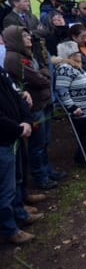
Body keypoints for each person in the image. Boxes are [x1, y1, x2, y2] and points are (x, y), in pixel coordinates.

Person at [2, 25, 65, 190]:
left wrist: (44, 74)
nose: (29, 38)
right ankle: (40, 176)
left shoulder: (28, 54)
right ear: (15, 39)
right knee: (37, 144)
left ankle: (47, 169)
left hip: (43, 101)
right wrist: (44, 75)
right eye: (24, 36)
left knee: (45, 141)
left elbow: (43, 73)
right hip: (35, 105)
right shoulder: (13, 58)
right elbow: (38, 79)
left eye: (28, 35)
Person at [0, 64, 38, 244]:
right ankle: (10, 229)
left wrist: (26, 121)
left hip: (14, 135)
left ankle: (19, 213)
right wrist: (17, 128)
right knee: (5, 189)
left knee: (16, 179)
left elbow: (16, 97)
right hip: (4, 139)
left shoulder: (1, 71)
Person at [53, 41, 86, 166]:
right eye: (77, 53)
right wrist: (72, 107)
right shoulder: (64, 69)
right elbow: (62, 91)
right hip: (80, 110)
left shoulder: (76, 66)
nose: (80, 54)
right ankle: (82, 158)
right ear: (70, 56)